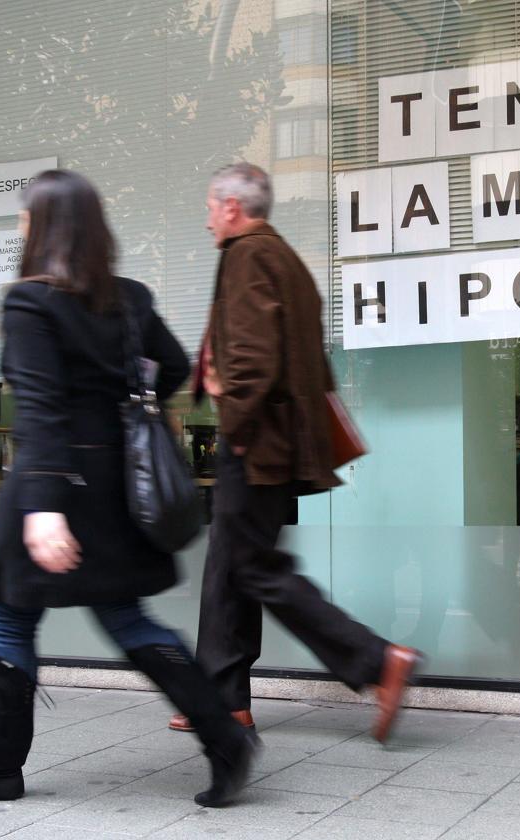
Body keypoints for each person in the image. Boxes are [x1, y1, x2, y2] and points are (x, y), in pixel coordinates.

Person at [0, 170, 257, 808]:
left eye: (27, 216)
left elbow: (41, 409)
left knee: (8, 617)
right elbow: (176, 368)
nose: (22, 225)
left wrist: (46, 508)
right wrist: (127, 412)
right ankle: (226, 740)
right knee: (125, 616)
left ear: (43, 227)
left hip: (52, 484)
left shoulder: (31, 301)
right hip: (117, 487)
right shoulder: (129, 298)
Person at [168, 162, 421, 741]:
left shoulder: (249, 256)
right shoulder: (283, 259)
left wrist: (227, 410)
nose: (206, 218)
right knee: (229, 569)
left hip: (257, 442)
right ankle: (225, 699)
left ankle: (378, 662)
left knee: (255, 569)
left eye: (210, 206)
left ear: (232, 206)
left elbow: (255, 360)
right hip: (276, 441)